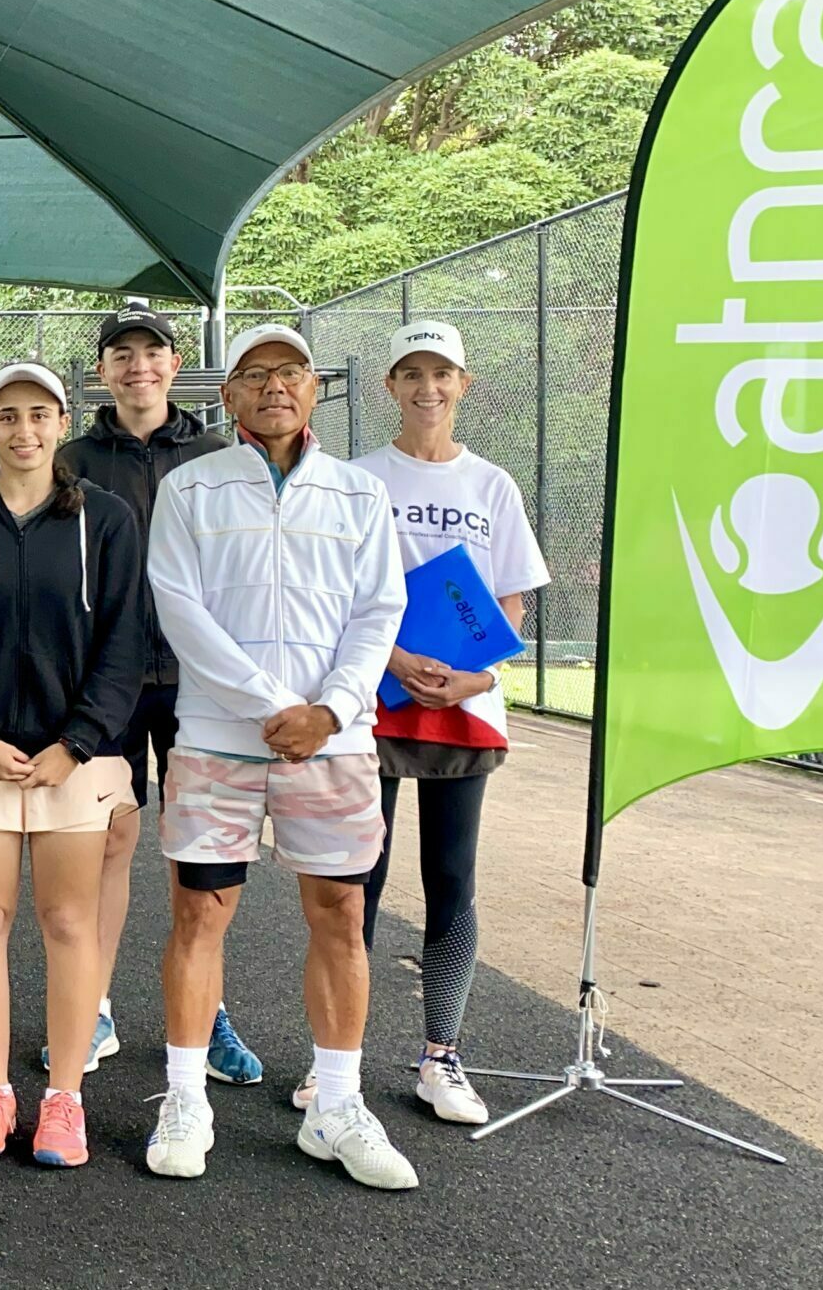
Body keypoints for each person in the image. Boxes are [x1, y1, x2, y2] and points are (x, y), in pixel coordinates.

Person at [142, 324, 417, 1190]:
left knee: (340, 913)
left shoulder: (359, 493)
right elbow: (179, 608)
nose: (273, 387)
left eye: (289, 372)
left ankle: (337, 1105)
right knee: (200, 916)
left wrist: (331, 708)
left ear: (313, 387)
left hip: (334, 744)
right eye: (255, 374)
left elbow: (381, 609)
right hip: (218, 741)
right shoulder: (189, 487)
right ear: (226, 397)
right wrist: (274, 708)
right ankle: (187, 1098)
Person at [0, 363, 146, 1167]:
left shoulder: (108, 520)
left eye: (39, 415)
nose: (24, 430)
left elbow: (124, 645)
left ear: (60, 423)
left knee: (68, 922)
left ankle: (64, 1098)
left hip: (71, 761)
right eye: (8, 416)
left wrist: (76, 742)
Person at [329, 320, 547, 1127]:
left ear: (464, 384)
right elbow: (340, 594)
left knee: (452, 877)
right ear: (388, 385)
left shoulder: (493, 485)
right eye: (411, 372)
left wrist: (474, 675)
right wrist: (391, 661)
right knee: (362, 878)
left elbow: (512, 599)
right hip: (375, 700)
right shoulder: (358, 478)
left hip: (462, 704)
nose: (427, 387)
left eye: (441, 373)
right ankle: (338, 1062)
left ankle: (441, 1053)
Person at [52, 303, 263, 1087]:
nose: (138, 365)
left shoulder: (218, 456)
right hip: (103, 685)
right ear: (102, 372)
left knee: (200, 845)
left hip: (198, 686)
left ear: (176, 365)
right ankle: (93, 1005)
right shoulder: (69, 457)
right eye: (122, 354)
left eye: (152, 352)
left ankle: (207, 1012)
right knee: (107, 839)